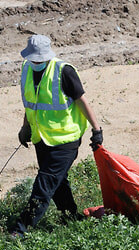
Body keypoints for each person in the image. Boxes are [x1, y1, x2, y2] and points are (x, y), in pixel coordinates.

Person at [10, 34, 103, 237]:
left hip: (66, 140)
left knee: (44, 184)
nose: (35, 62)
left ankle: (21, 229)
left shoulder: (64, 71)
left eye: (38, 59)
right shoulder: (27, 69)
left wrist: (96, 130)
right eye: (32, 58)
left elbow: (82, 101)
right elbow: (30, 102)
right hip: (41, 137)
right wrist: (25, 127)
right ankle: (70, 216)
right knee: (58, 182)